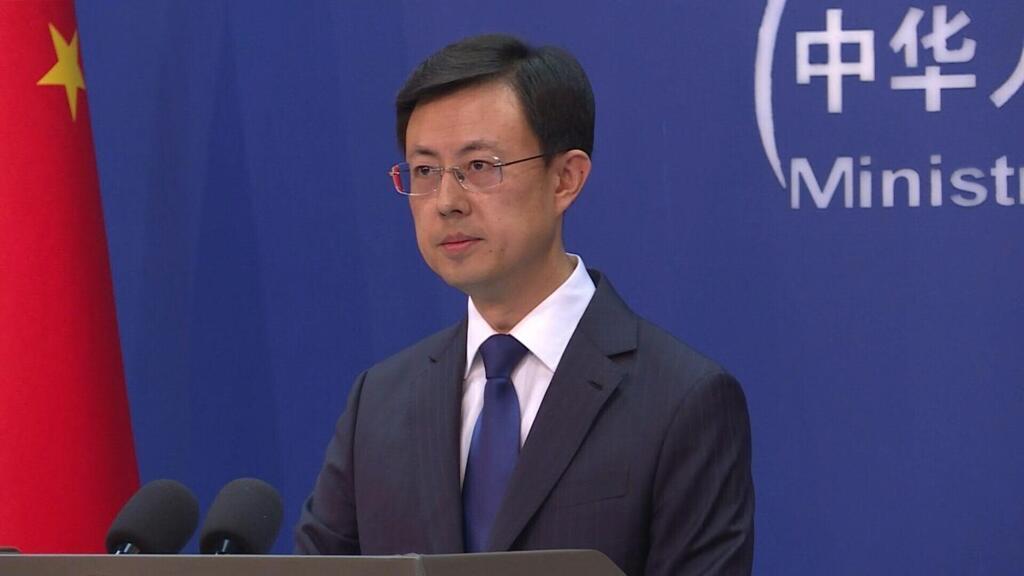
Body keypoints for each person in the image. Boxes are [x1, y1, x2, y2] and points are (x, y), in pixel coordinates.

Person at [294, 33, 754, 575]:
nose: (447, 202)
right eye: (425, 171)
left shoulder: (682, 401)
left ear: (565, 179)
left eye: (479, 166)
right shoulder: (379, 402)